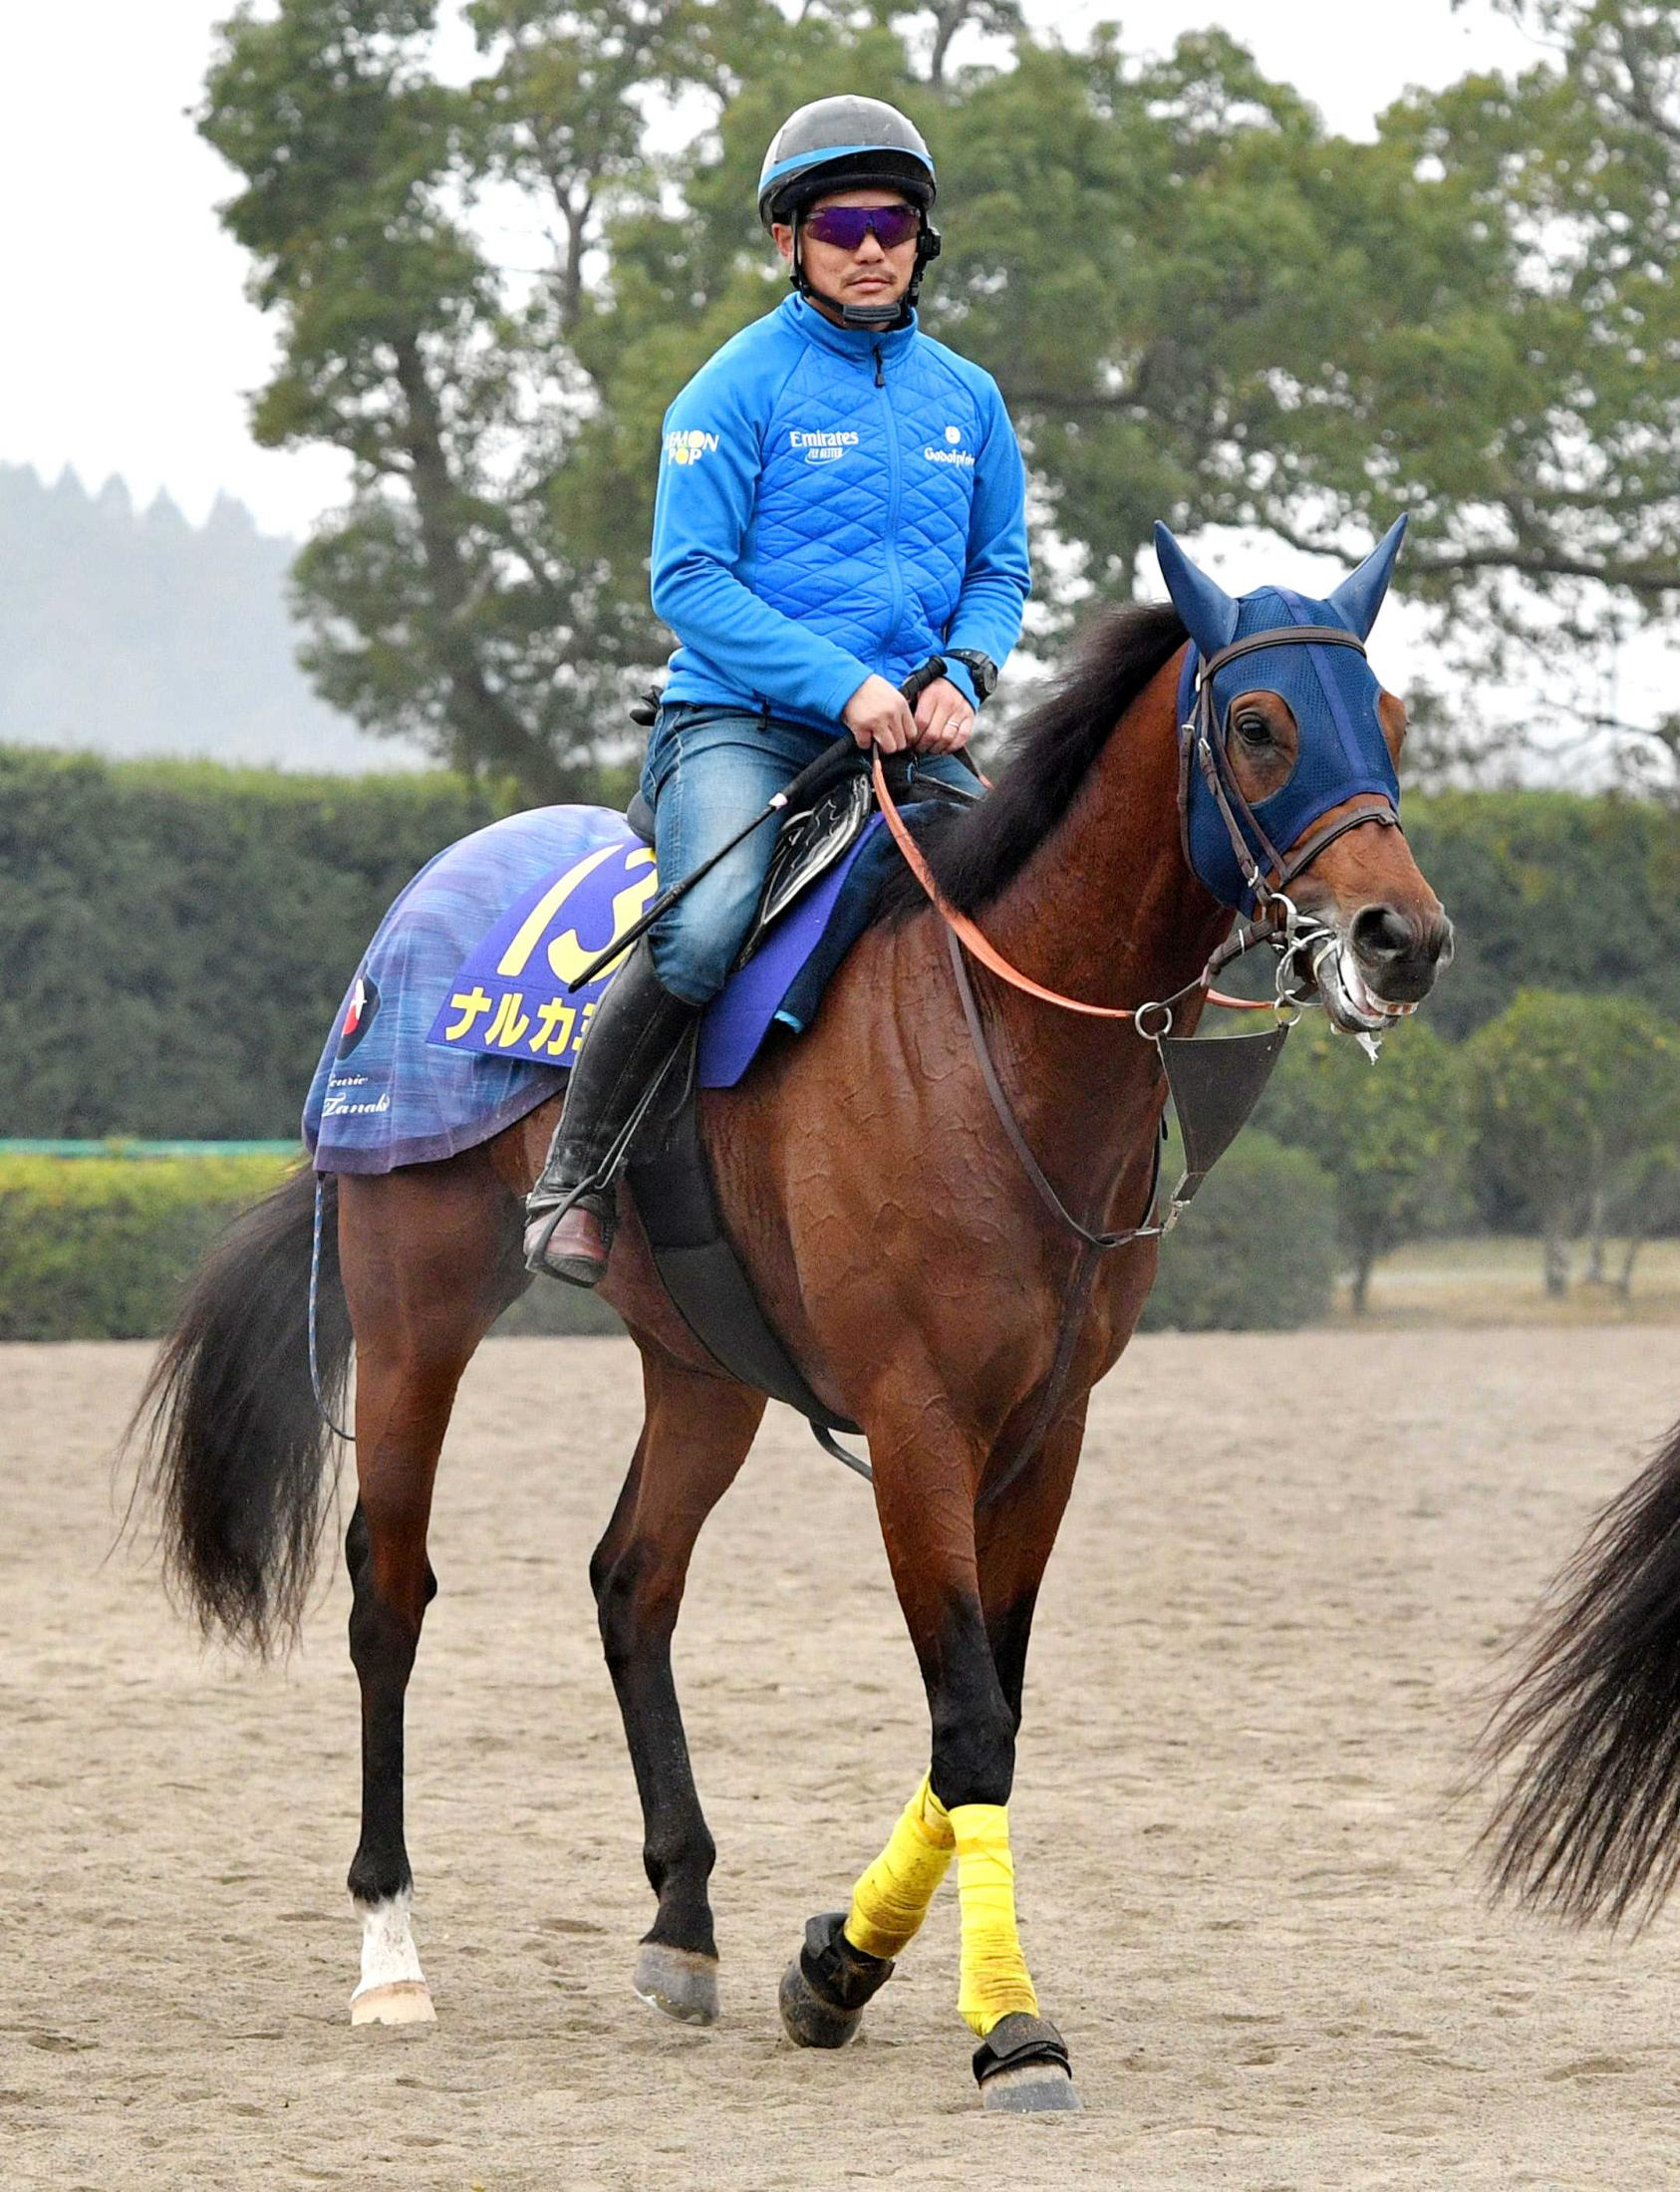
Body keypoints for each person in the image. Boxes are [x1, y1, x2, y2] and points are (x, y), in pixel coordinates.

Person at [524, 93, 1031, 1285]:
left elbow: (999, 568)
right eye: (842, 221)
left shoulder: (971, 400)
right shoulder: (728, 390)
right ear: (789, 238)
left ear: (922, 241)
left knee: (1042, 897)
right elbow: (686, 582)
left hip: (914, 735)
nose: (870, 246)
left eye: (893, 223)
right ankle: (576, 1175)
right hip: (739, 727)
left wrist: (965, 670)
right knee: (705, 927)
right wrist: (842, 683)